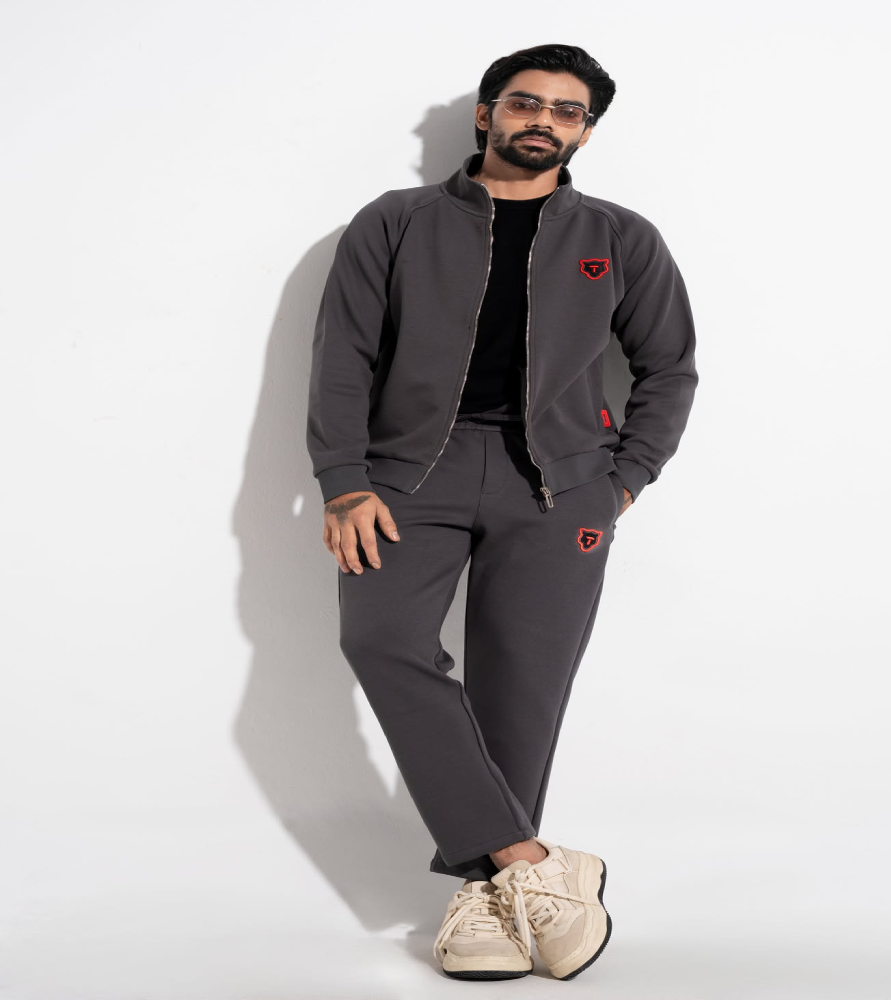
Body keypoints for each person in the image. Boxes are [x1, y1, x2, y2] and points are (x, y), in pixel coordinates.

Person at [306, 42, 698, 980]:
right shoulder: (396, 222)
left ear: (585, 132)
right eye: (526, 103)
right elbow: (343, 356)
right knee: (382, 639)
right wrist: (344, 480)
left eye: (567, 112)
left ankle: (484, 904)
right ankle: (530, 861)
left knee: (520, 689)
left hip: (562, 485)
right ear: (487, 114)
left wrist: (625, 480)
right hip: (409, 476)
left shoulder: (621, 237)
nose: (543, 121)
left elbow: (669, 367)